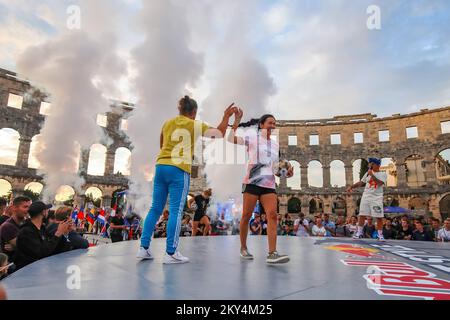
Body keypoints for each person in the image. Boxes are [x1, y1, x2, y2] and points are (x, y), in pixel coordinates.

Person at [137, 96, 237, 264]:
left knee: (155, 208)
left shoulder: (167, 123)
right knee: (176, 210)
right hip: (179, 168)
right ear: (194, 112)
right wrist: (226, 116)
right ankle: (171, 252)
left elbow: (162, 144)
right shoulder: (195, 124)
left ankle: (144, 248)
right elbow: (219, 133)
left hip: (161, 165)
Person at [228, 112, 293, 264]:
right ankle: (243, 248)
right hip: (252, 182)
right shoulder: (252, 138)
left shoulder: (276, 146)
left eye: (274, 124)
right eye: (270, 122)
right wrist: (236, 122)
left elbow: (277, 169)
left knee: (272, 215)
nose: (272, 126)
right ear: (261, 125)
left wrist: (287, 173)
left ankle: (272, 253)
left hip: (269, 185)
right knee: (246, 216)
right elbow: (230, 139)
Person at [14, 201, 71, 270]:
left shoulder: (42, 228)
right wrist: (58, 233)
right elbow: (42, 252)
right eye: (47, 210)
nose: (48, 212)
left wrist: (65, 233)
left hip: (39, 269)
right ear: (43, 212)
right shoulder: (26, 231)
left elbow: (54, 248)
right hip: (27, 272)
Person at [347, 158, 387, 241]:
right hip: (366, 196)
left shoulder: (382, 174)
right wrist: (352, 186)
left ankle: (380, 235)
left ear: (377, 165)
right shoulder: (367, 173)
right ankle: (359, 233)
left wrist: (372, 175)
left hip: (376, 197)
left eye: (371, 164)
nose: (370, 165)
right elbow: (361, 182)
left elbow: (380, 183)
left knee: (378, 216)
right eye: (370, 164)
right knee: (362, 214)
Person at [0, 196, 31, 261]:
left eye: (30, 207)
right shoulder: (8, 226)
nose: (29, 210)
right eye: (25, 207)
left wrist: (16, 247)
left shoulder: (26, 223)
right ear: (14, 208)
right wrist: (18, 247)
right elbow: (29, 248)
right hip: (14, 267)